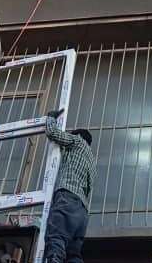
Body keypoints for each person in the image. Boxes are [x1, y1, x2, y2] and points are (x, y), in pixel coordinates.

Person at [42, 109, 96, 263]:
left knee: (56, 239)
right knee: (73, 253)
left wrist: (51, 118)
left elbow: (52, 133)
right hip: (82, 212)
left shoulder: (77, 141)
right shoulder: (92, 162)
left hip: (68, 198)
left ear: (78, 135)